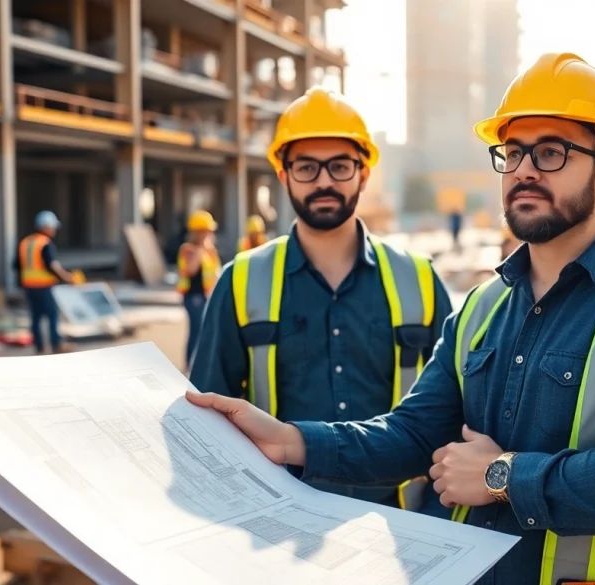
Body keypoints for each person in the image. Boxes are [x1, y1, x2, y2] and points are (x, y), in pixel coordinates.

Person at [187, 52, 595, 585]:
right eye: (512, 153)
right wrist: (289, 441)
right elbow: (414, 433)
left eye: (551, 153)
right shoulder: (481, 308)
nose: (525, 171)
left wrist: (502, 476)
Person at [189, 87, 454, 513]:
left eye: (340, 166)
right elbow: (207, 421)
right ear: (284, 175)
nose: (325, 181)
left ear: (363, 174)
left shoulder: (418, 278)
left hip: (400, 522)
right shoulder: (241, 280)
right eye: (308, 168)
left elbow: (455, 415)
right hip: (279, 520)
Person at [15, 210, 76, 355]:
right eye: (52, 227)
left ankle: (39, 346)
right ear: (46, 226)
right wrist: (67, 277)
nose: (54, 230)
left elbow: (16, 265)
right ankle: (56, 343)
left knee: (35, 317)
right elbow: (52, 265)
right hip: (43, 286)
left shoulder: (25, 242)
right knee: (52, 315)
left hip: (29, 286)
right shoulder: (45, 243)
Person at [176, 210, 221, 368]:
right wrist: (200, 250)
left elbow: (216, 273)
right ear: (198, 232)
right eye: (206, 231)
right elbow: (191, 270)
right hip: (193, 296)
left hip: (206, 296)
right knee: (196, 332)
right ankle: (189, 367)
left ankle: (201, 366)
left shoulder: (210, 249)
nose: (209, 233)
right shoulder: (188, 250)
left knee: (206, 333)